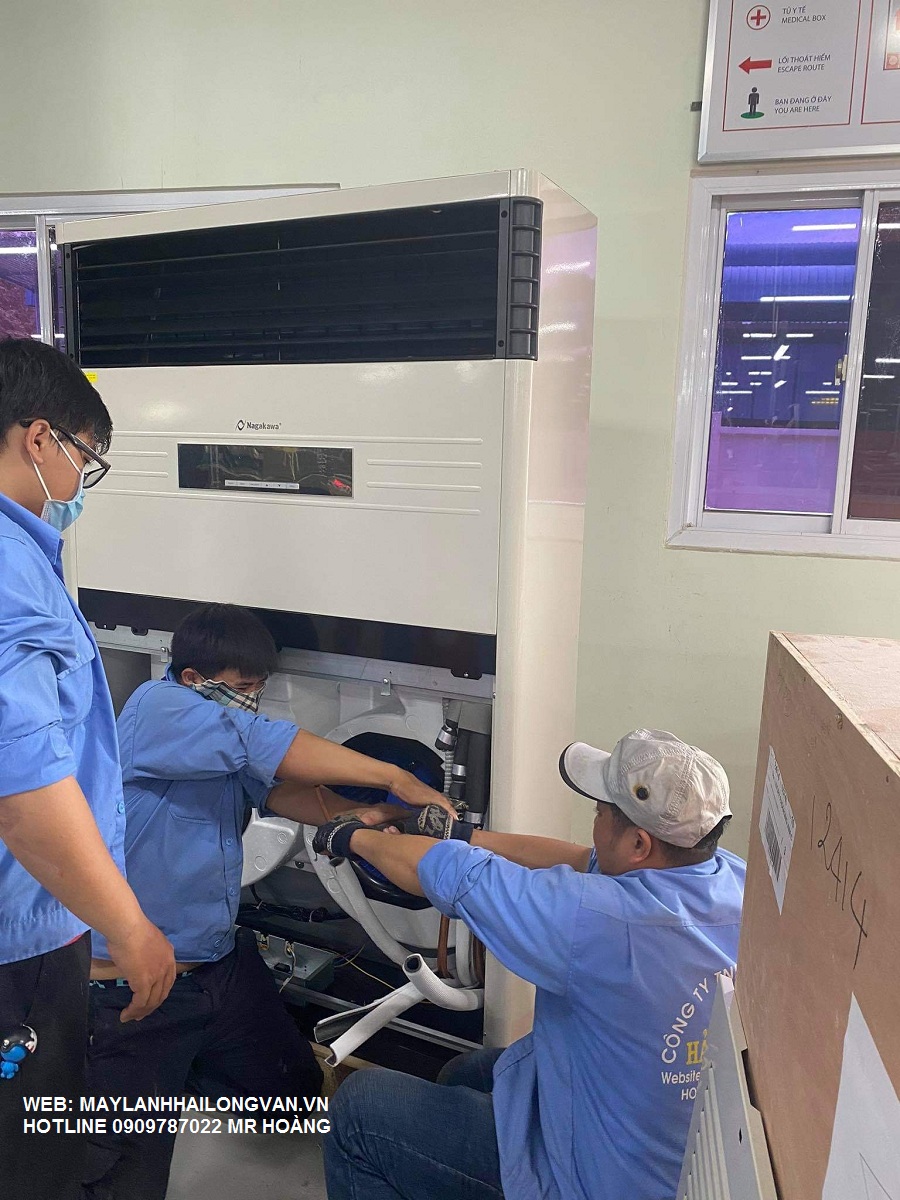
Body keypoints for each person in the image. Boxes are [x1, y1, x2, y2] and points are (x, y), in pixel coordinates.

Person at [83, 601, 454, 1200]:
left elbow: (280, 791)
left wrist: (369, 817)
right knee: (118, 1167)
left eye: (260, 687)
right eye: (243, 687)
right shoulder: (158, 709)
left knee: (291, 1097)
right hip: (133, 983)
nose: (252, 699)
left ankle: (191, 1072)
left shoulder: (213, 736)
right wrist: (396, 778)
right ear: (192, 678)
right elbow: (262, 744)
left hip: (217, 963)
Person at [315, 728, 746, 1200]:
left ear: (639, 844)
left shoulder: (596, 922)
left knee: (358, 1111)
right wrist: (465, 835)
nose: (595, 823)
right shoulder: (730, 878)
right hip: (664, 1149)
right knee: (470, 1072)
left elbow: (441, 871)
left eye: (599, 813)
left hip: (591, 1184)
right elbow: (580, 860)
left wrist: (352, 837)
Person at [0, 339, 176, 1200]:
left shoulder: (24, 555)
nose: (80, 486)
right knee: (27, 1155)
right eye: (86, 459)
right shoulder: (9, 572)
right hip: (18, 942)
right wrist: (128, 928)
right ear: (40, 438)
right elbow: (23, 795)